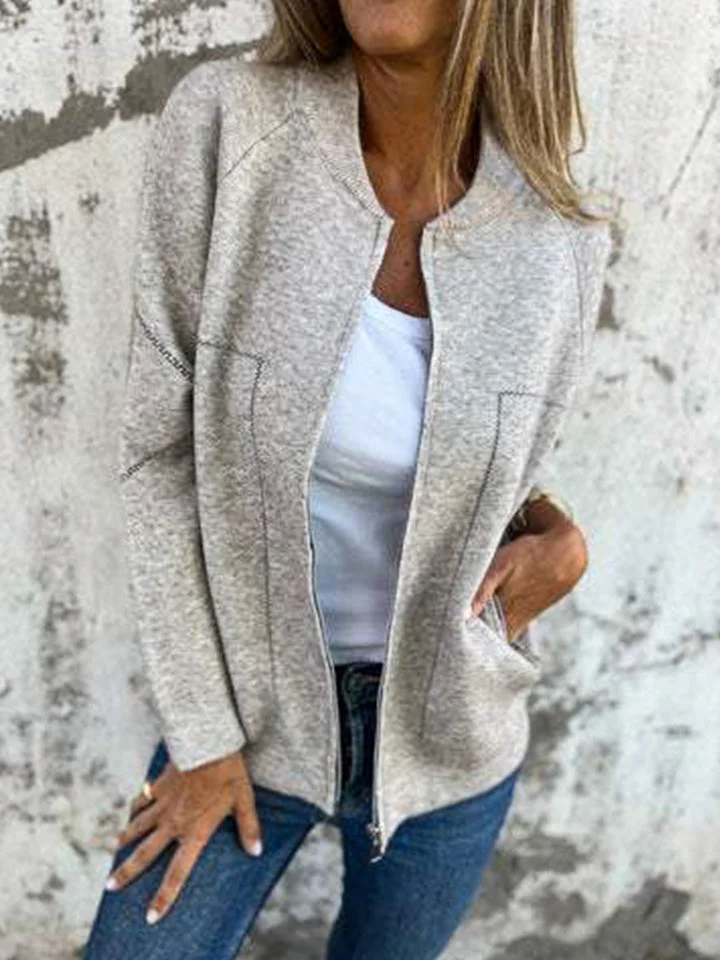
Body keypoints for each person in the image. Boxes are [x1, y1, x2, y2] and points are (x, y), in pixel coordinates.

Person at [84, 1, 614, 957]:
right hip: (245, 721)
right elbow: (161, 453)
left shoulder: (560, 233)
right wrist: (203, 738)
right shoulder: (229, 127)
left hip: (450, 742)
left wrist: (560, 538)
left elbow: (492, 467)